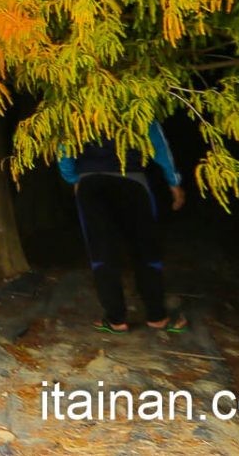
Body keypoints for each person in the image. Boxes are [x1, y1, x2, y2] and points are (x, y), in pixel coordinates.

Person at [59, 122, 188, 333]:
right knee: (146, 249)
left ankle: (115, 318)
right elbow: (159, 144)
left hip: (91, 182)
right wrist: (173, 181)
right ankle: (157, 316)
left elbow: (64, 148)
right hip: (132, 180)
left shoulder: (77, 107)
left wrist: (73, 178)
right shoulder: (134, 98)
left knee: (101, 251)